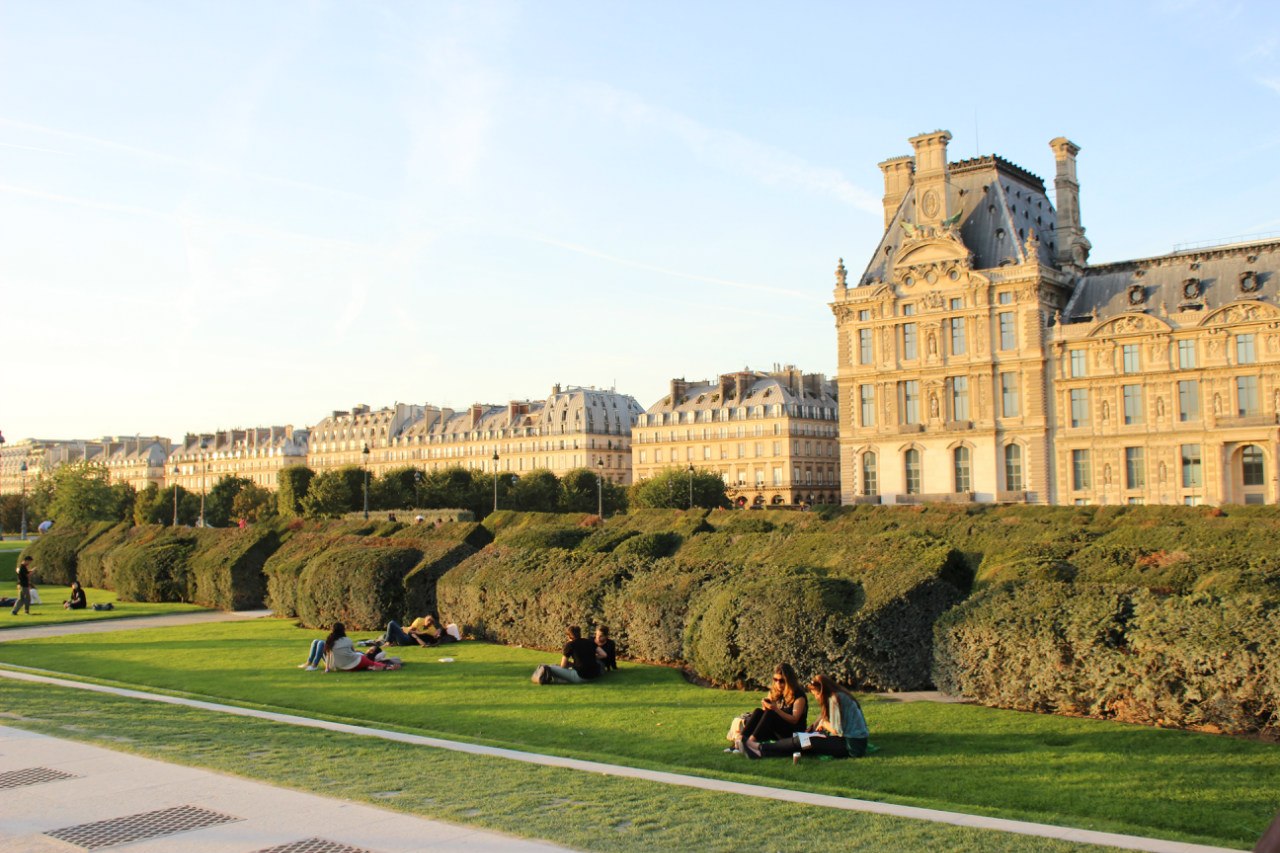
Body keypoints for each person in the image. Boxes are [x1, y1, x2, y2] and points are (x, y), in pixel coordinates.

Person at [743, 674, 868, 760]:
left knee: (804, 741)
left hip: (852, 747)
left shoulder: (835, 699)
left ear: (822, 691)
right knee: (805, 745)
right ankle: (761, 752)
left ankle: (759, 747)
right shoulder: (838, 696)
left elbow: (837, 730)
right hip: (854, 742)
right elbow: (824, 715)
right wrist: (815, 725)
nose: (816, 698)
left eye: (816, 694)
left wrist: (823, 724)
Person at [730, 663, 807, 753]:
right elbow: (765, 715)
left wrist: (775, 709)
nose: (778, 683)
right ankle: (738, 741)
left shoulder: (798, 696)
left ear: (789, 681)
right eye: (775, 680)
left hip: (793, 732)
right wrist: (765, 706)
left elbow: (794, 720)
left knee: (771, 713)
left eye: (781, 681)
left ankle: (749, 743)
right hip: (778, 729)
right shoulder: (775, 692)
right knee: (758, 711)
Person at [299, 622, 400, 672]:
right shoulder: (347, 641)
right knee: (317, 641)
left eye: (371, 649)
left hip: (336, 662)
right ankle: (309, 663)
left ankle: (314, 665)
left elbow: (373, 664)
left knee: (320, 643)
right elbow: (372, 664)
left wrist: (327, 669)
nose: (369, 649)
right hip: (343, 661)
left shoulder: (332, 641)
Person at [532, 626, 605, 684]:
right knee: (556, 666)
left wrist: (570, 664)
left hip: (581, 677)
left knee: (550, 667)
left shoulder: (570, 645)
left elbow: (563, 665)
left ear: (569, 636)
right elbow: (603, 654)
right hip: (594, 675)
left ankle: (552, 679)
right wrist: (590, 657)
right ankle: (559, 680)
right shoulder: (589, 642)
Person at [361, 614, 441, 648]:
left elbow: (425, 643)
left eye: (430, 623)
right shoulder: (420, 622)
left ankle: (387, 643)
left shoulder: (430, 632)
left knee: (391, 623)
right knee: (387, 635)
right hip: (406, 635)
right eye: (428, 622)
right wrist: (413, 631)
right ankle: (370, 643)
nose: (428, 624)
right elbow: (411, 629)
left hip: (407, 639)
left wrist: (416, 635)